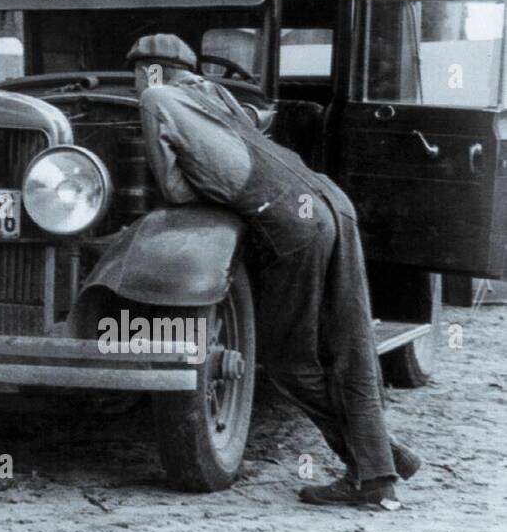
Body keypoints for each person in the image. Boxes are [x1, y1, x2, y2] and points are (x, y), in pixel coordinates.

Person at [127, 33, 421, 507]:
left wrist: (209, 189)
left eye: (135, 75)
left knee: (288, 362)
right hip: (329, 201)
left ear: (147, 71)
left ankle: (372, 470)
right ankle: (380, 465)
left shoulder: (155, 96)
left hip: (288, 218)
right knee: (350, 344)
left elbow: (175, 192)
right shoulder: (216, 92)